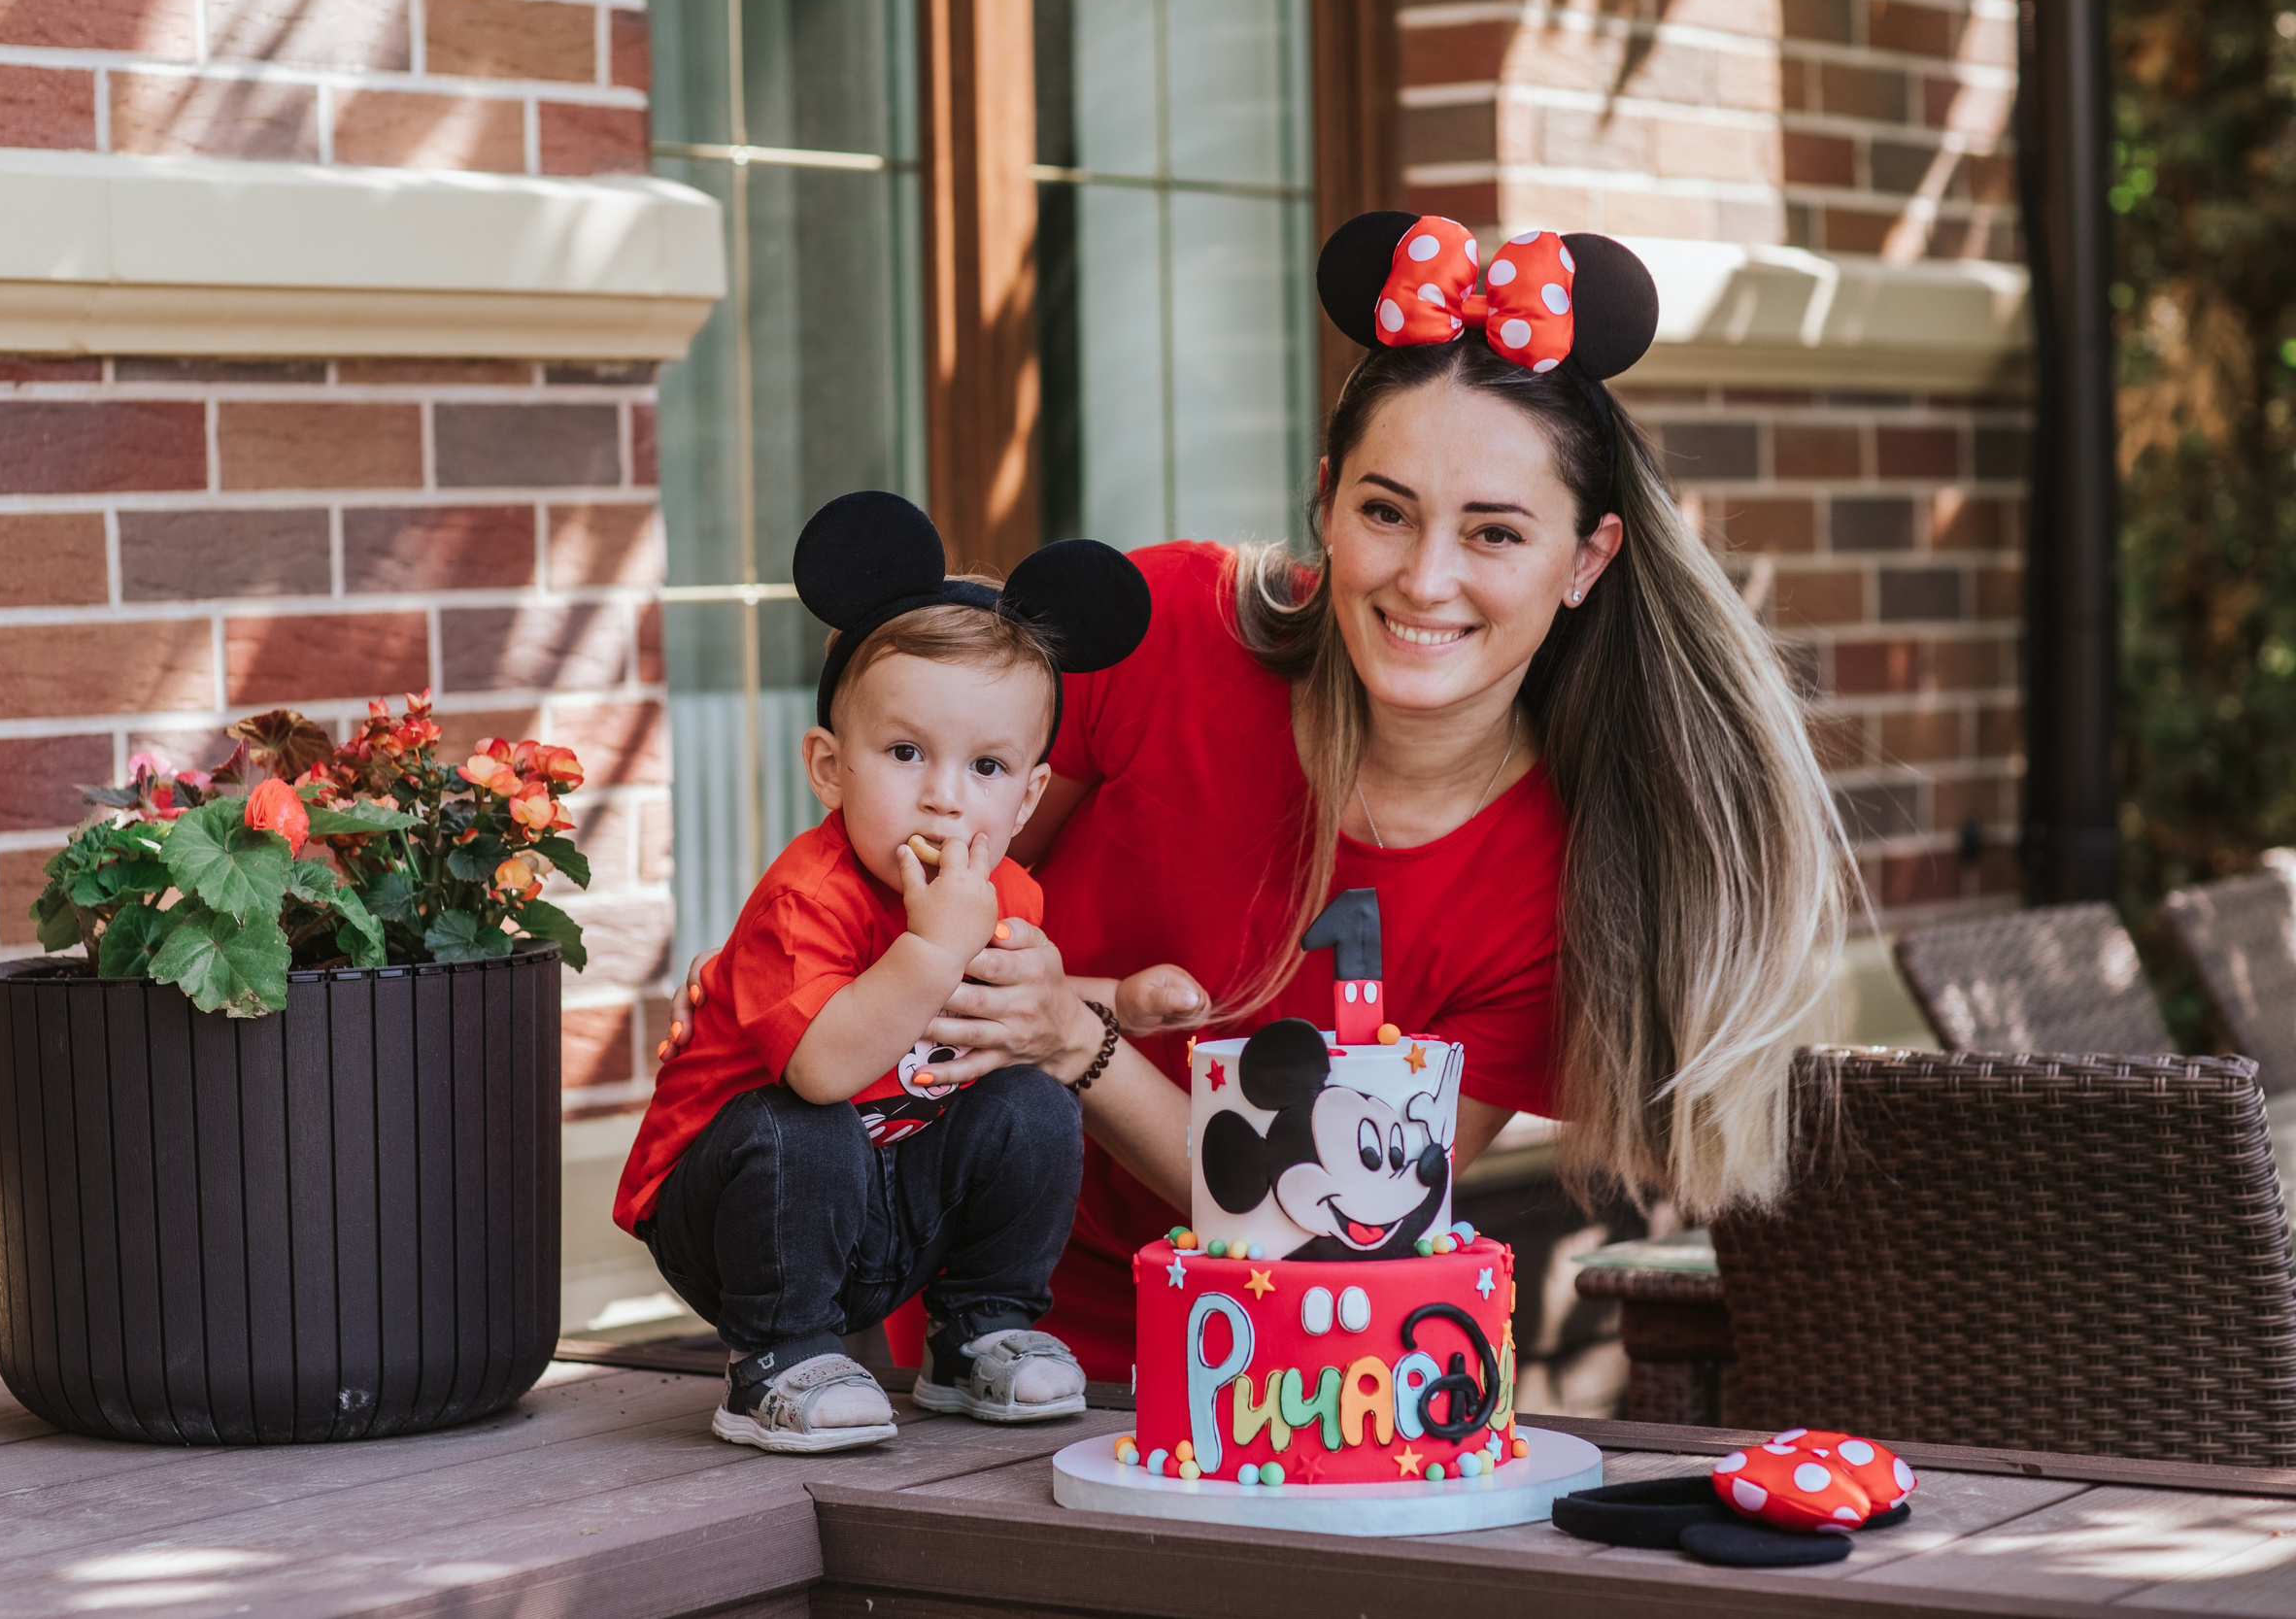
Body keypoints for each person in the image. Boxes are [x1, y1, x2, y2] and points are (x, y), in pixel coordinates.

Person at [662, 216, 1855, 1385]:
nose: (1424, 579)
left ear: (1586, 560)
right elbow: (900, 862)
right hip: (990, 1348)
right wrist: (775, 997)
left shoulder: (1569, 887)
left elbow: (1343, 1228)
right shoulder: (1160, 632)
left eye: (1495, 533)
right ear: (1326, 502)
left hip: (1301, 1391)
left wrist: (1083, 1040)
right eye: (1385, 512)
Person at [612, 490, 1188, 1451]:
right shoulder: (808, 899)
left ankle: (979, 1331)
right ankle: (775, 1360)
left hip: (884, 1205)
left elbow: (1004, 1011)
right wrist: (930, 946)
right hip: (741, 1214)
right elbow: (824, 1072)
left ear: (1032, 790)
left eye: (988, 768)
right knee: (810, 1126)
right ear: (830, 767)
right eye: (906, 752)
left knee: (1033, 1100)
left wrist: (1114, 1001)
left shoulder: (1004, 893)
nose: (944, 799)